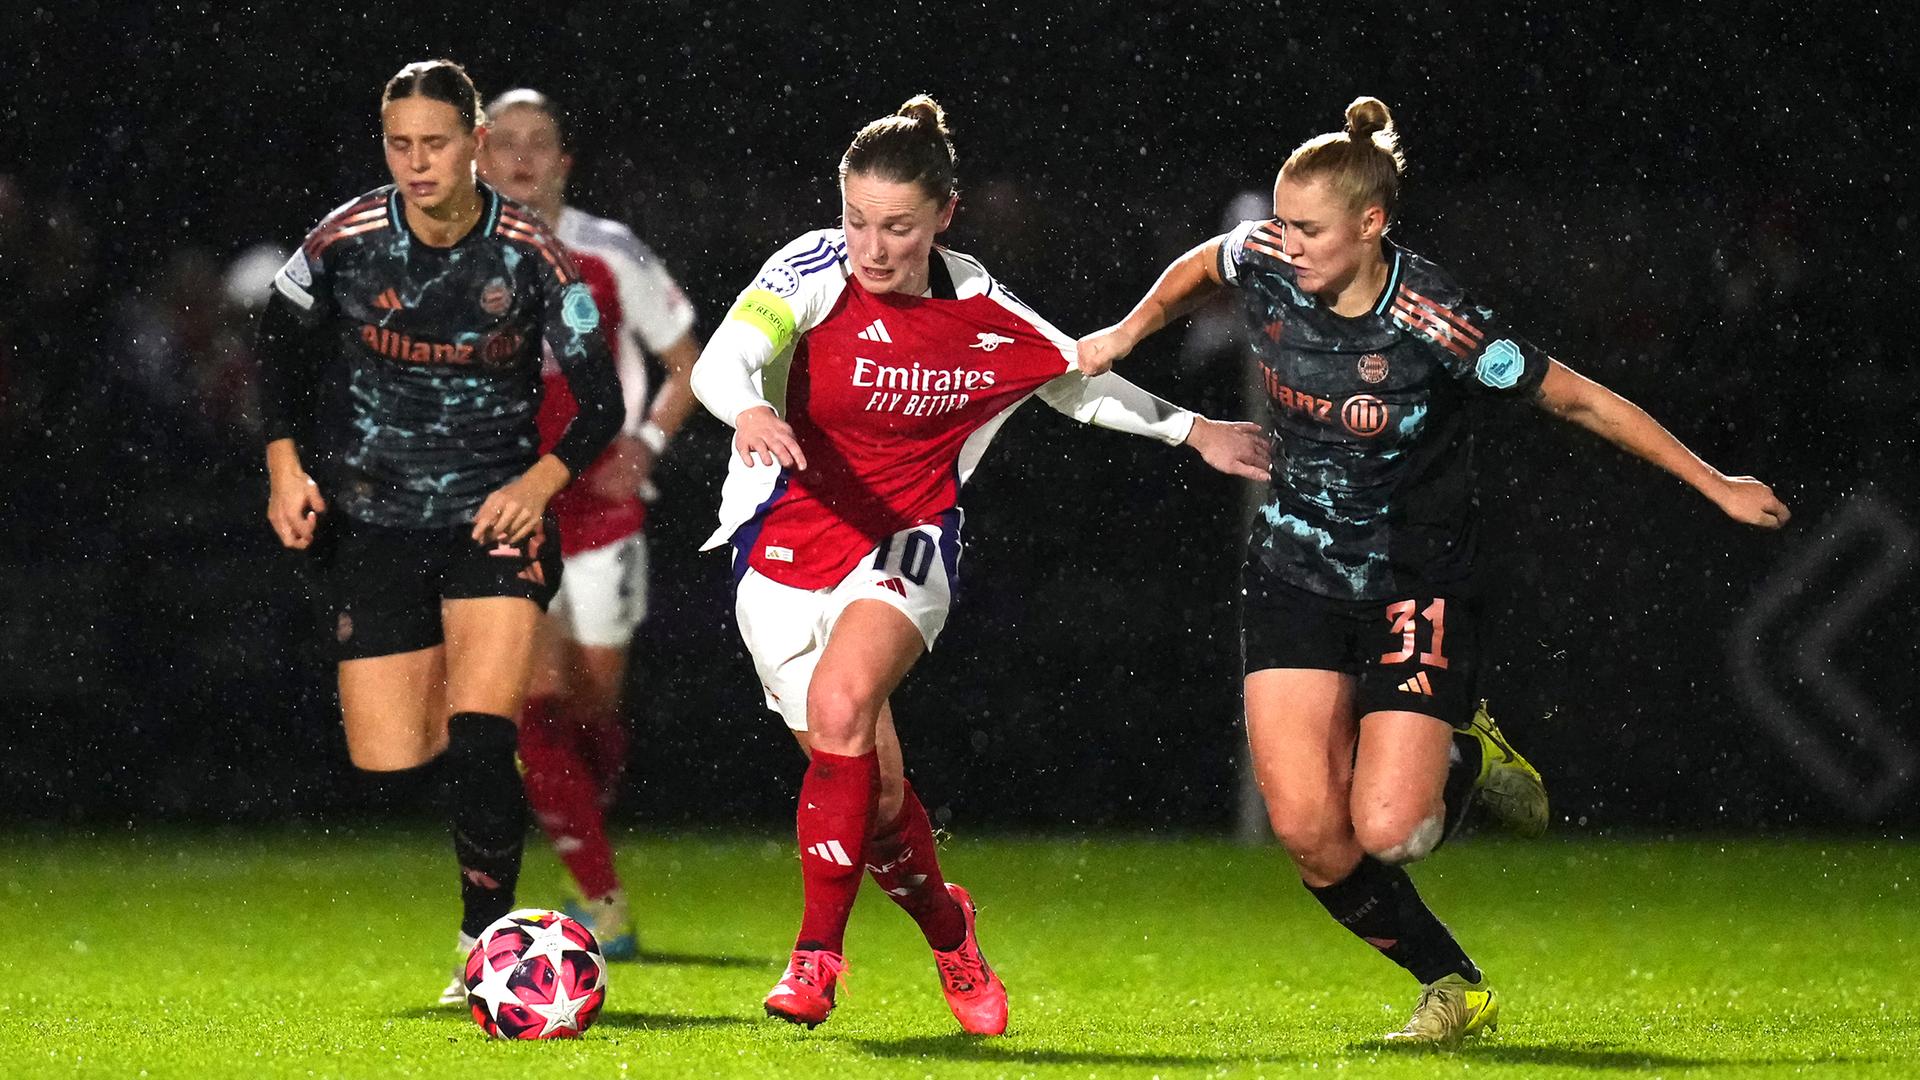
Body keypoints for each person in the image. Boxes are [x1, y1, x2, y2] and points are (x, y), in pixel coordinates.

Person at [1076, 97, 1790, 1045]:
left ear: (1373, 225)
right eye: (1281, 223)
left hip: (1415, 579)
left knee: (1391, 831)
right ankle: (1451, 985)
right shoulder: (1265, 258)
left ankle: (1468, 748)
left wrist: (1713, 481)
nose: (1285, 245)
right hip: (1294, 570)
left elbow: (1573, 400)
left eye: (1310, 229)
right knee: (1307, 833)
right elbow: (1204, 265)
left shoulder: (1438, 320)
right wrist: (1126, 334)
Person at [690, 95, 1269, 1035]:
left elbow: (1076, 383)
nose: (871, 248)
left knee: (844, 708)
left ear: (945, 216)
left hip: (906, 541)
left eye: (897, 227)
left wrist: (1195, 430)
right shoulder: (810, 267)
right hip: (783, 541)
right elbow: (722, 362)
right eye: (857, 220)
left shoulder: (984, 312)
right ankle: (951, 929)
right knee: (872, 797)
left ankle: (814, 961)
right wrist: (751, 409)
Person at [253, 59, 622, 1006]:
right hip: (375, 519)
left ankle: (484, 941)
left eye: (436, 143)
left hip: (490, 519)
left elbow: (602, 403)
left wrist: (538, 485)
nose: (417, 163)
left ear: (475, 147)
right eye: (400, 144)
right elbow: (278, 346)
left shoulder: (534, 255)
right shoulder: (343, 240)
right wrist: (284, 465)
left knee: (481, 733)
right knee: (387, 753)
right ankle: (488, 856)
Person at [476, 87, 701, 961]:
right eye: (508, 144)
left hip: (603, 516)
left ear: (564, 161)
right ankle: (605, 903)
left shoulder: (607, 253)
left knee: (592, 716)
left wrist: (644, 444)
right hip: (506, 510)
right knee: (532, 709)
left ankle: (577, 833)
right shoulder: (455, 255)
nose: (523, 159)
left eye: (541, 144)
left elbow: (689, 359)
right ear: (481, 159)